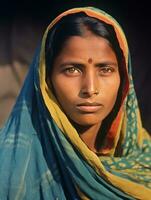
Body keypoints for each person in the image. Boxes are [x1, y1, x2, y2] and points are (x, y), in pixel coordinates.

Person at [0, 6, 151, 200]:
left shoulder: (143, 164)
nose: (90, 88)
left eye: (105, 69)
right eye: (72, 69)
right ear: (46, 79)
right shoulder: (11, 169)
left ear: (123, 79)